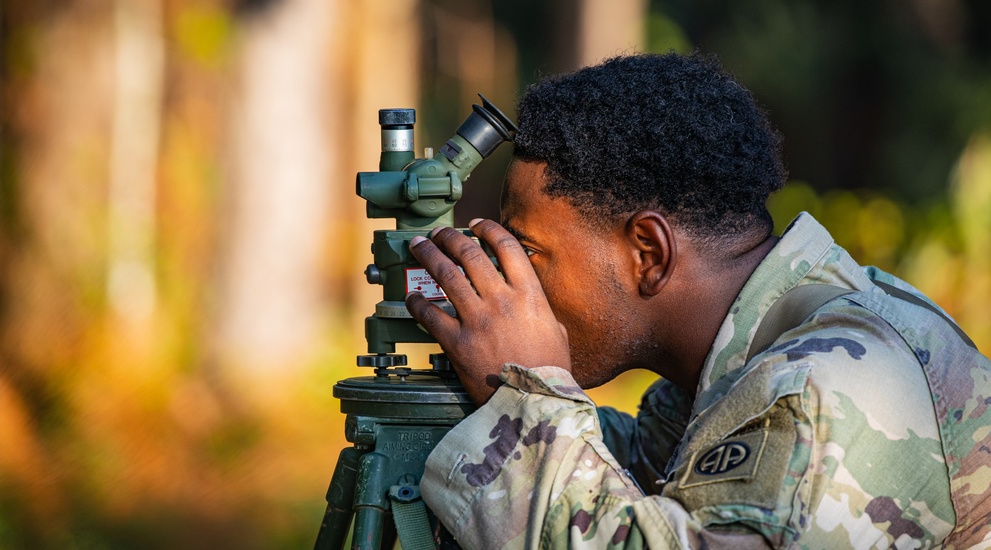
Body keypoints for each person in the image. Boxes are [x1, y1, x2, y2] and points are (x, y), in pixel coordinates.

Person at [403, 52, 991, 548]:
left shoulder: (820, 388)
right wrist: (475, 394)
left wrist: (523, 391)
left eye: (528, 252)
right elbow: (630, 474)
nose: (516, 284)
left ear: (649, 253)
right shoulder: (740, 358)